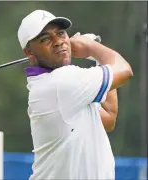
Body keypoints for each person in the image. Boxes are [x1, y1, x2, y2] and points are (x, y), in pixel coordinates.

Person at [17, 9, 133, 179]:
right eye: (46, 39)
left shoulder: (66, 89)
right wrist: (91, 47)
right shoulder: (62, 82)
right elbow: (125, 71)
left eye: (61, 34)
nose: (58, 42)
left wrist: (98, 58)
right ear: (29, 53)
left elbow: (108, 117)